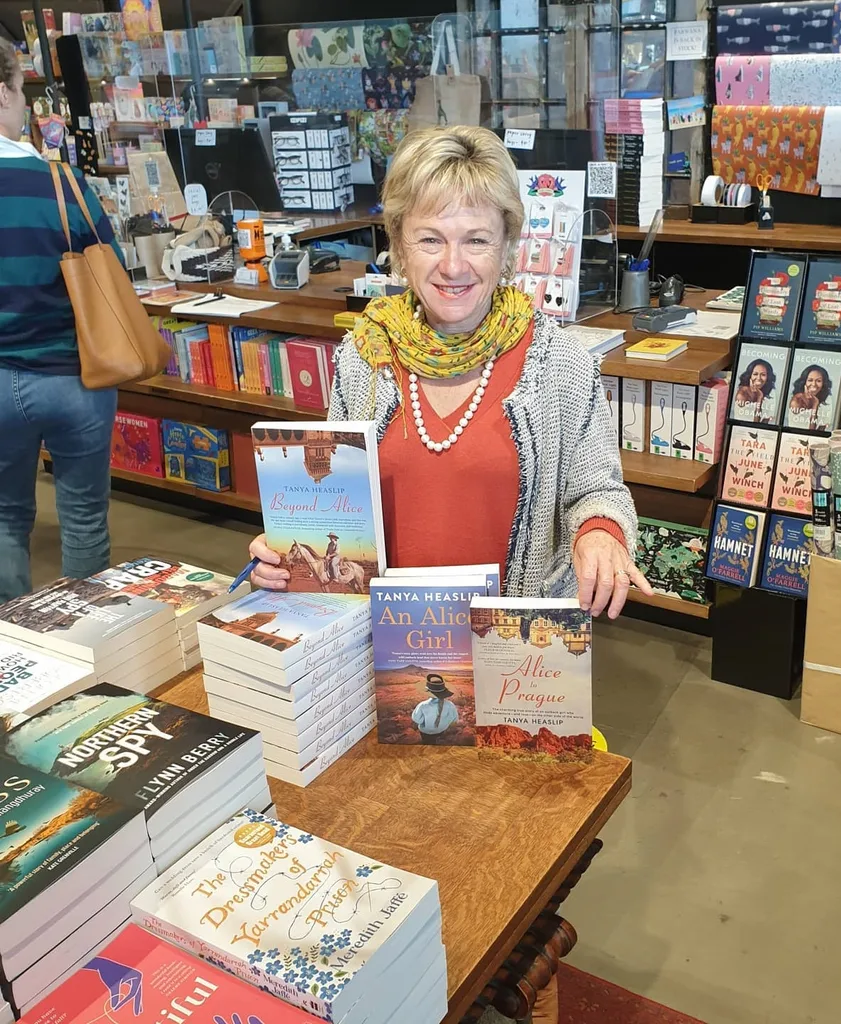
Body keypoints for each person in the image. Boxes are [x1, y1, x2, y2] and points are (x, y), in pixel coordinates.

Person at [249, 125, 651, 618]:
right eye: (430, 239)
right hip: (387, 644)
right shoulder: (365, 356)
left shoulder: (561, 364)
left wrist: (601, 534)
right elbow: (332, 501)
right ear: (399, 244)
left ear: (507, 246)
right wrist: (290, 548)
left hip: (513, 655)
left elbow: (598, 490)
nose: (453, 265)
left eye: (476, 239)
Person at [0, 39, 123, 604]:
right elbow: (113, 278)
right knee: (83, 519)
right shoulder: (63, 184)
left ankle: (12, 657)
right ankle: (90, 646)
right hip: (77, 377)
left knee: (4, 518)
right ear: (5, 92)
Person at [411, 674, 459, 744]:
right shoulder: (450, 705)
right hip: (441, 732)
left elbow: (416, 719)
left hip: (425, 733)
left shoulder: (422, 705)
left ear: (428, 691)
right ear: (444, 692)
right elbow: (454, 720)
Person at [788, 364, 832, 430]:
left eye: (818, 381)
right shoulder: (796, 399)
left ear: (823, 384)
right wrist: (815, 405)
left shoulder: (827, 399)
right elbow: (811, 431)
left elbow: (821, 430)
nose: (814, 384)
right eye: (810, 380)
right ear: (804, 382)